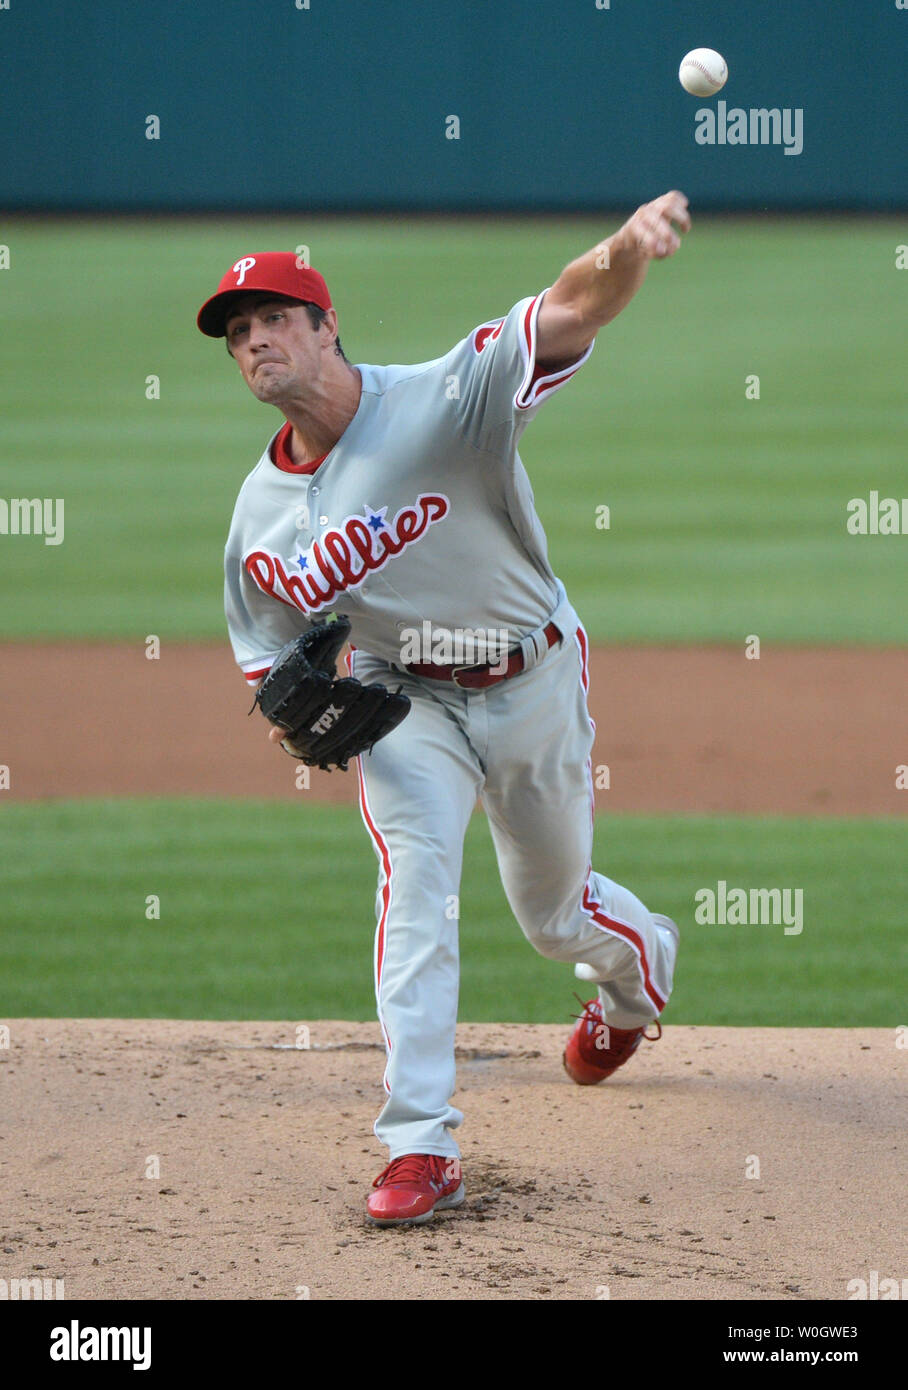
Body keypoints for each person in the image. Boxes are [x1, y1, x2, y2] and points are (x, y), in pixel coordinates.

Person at [197, 190, 690, 1226]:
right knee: (414, 888)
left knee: (551, 914)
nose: (254, 341)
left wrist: (623, 249)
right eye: (238, 332)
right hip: (401, 701)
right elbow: (262, 654)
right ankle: (418, 1141)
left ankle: (633, 983)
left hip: (529, 676)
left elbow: (566, 310)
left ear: (327, 326)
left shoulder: (440, 398)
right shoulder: (256, 517)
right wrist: (293, 712)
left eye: (275, 317)